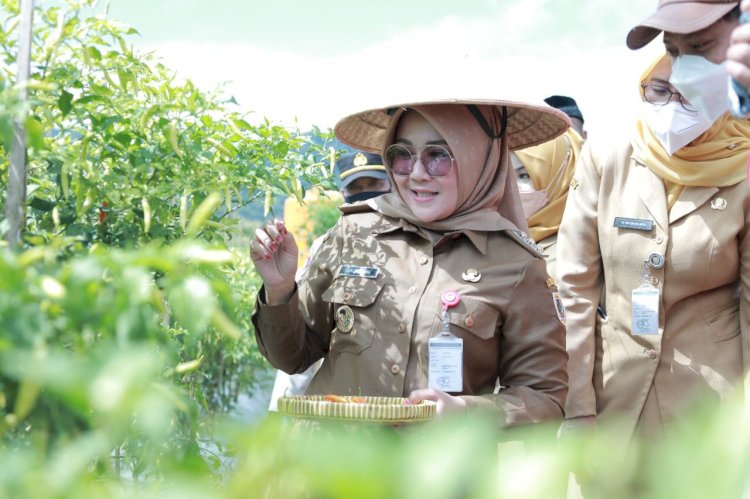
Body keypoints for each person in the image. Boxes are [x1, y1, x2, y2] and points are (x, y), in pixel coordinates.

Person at [251, 98, 570, 426]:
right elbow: (289, 358)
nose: (417, 174)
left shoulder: (517, 265)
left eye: (438, 156)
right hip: (334, 467)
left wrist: (465, 411)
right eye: (401, 156)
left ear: (477, 157)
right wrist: (279, 290)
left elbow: (545, 397)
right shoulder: (354, 233)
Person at [557, 52, 750, 444]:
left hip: (710, 403)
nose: (672, 108)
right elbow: (575, 288)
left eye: (690, 97)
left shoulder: (742, 169)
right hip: (612, 396)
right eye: (660, 91)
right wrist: (578, 404)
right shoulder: (607, 155)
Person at [268, 151, 391, 411]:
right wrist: (279, 411)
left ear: (391, 184)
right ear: (343, 194)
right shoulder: (328, 245)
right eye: (355, 188)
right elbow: (305, 338)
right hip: (345, 408)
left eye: (374, 185)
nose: (364, 194)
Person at [511, 95, 585, 278]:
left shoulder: (574, 257)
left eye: (524, 175)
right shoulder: (498, 236)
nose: (510, 187)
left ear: (559, 178)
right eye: (505, 174)